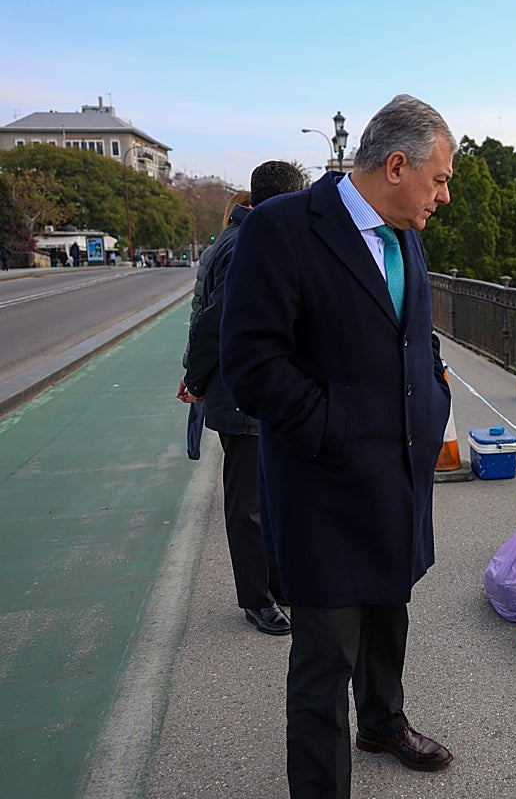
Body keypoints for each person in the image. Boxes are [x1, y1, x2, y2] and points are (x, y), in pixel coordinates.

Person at [221, 94, 456, 797]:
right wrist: (333, 428)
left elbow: (413, 331)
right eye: (439, 179)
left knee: (389, 612)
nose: (443, 196)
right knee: (324, 658)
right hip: (323, 486)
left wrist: (433, 394)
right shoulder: (282, 228)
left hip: (398, 475)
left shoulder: (405, 232)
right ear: (396, 166)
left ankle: (383, 721)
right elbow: (252, 363)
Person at [176, 164, 306, 637]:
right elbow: (214, 321)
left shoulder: (246, 237)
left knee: (267, 499)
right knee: (249, 504)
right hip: (242, 392)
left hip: (249, 389)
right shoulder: (248, 244)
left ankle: (275, 585)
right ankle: (257, 599)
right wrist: (195, 379)